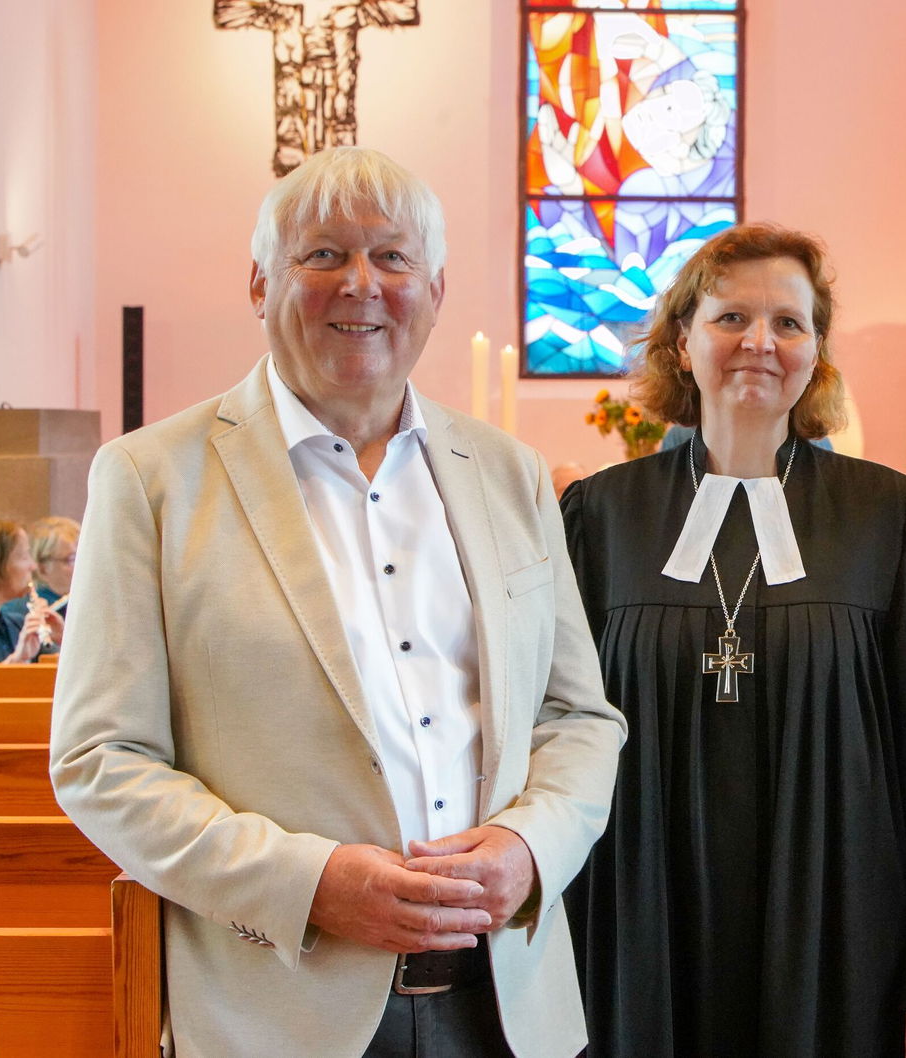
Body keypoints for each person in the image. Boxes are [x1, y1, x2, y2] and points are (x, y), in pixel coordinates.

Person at [50, 147, 626, 1058]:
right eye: (322, 255)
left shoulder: (508, 473)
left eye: (393, 258)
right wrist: (306, 880)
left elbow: (577, 717)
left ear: (434, 291)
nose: (362, 284)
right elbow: (100, 759)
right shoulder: (153, 479)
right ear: (259, 282)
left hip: (505, 1007)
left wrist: (528, 848)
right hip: (277, 1009)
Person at [561, 223, 906, 1058]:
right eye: (731, 318)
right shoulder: (601, 518)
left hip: (839, 923)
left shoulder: (885, 517)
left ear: (815, 352)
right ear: (683, 342)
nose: (760, 342)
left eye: (789, 323)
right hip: (643, 917)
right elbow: (554, 737)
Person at [0, 516, 63, 663]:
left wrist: (62, 638)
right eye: (24, 556)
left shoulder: (17, 625)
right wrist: (16, 661)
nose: (33, 566)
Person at [1, 515, 78, 623]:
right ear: (43, 568)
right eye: (72, 559)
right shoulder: (18, 613)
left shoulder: (85, 604)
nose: (79, 569)